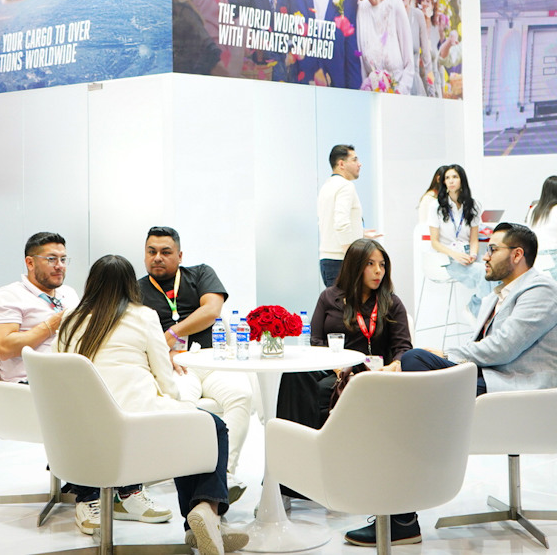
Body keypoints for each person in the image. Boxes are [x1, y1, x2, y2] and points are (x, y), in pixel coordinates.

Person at [55, 255, 247, 554]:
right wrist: (178, 403)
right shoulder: (143, 316)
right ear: (131, 286)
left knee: (192, 425)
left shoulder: (70, 318)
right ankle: (207, 512)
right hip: (136, 427)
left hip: (80, 431)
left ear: (91, 283)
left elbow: (60, 371)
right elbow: (164, 376)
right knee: (211, 427)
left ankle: (201, 525)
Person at [275, 239, 415, 547]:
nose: (378, 272)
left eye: (382, 265)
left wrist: (393, 366)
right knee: (293, 378)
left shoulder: (391, 302)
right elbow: (315, 342)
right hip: (333, 371)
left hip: (373, 377)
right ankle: (290, 478)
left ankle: (321, 477)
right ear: (355, 266)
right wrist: (335, 365)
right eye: (370, 264)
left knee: (334, 391)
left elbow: (404, 348)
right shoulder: (330, 297)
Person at [137, 226, 252, 499]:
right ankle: (193, 474)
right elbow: (135, 334)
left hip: (212, 360)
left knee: (242, 395)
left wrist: (171, 335)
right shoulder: (136, 290)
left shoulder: (200, 274)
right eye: (151, 252)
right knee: (182, 406)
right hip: (174, 366)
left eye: (166, 252)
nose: (157, 258)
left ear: (180, 255)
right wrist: (162, 352)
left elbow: (211, 310)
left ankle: (225, 473)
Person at [398, 222, 557, 394]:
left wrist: (447, 355)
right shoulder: (497, 294)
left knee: (417, 366)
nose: (485, 257)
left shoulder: (541, 290)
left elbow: (503, 347)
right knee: (415, 359)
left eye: (493, 250)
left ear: (517, 255)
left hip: (518, 384)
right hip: (491, 374)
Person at [0, 231, 81, 383]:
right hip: (31, 382)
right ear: (30, 263)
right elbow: (3, 349)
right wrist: (50, 326)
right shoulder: (9, 295)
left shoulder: (69, 293)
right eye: (51, 259)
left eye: (63, 259)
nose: (60, 266)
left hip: (70, 374)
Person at [347, 0, 416, 93]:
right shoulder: (361, 11)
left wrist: (397, 94)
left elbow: (409, 67)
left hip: (400, 99)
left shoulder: (395, 5)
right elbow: (363, 71)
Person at [426, 163, 489, 315]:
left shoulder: (473, 205)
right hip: (448, 257)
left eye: (455, 177)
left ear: (462, 180)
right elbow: (435, 242)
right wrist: (456, 255)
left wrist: (473, 254)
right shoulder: (436, 206)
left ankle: (481, 312)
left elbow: (474, 239)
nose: (451, 181)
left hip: (469, 255)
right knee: (483, 273)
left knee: (495, 273)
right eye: (447, 178)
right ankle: (478, 312)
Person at [318, 144, 376, 286]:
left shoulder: (327, 186)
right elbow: (341, 223)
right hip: (342, 261)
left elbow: (331, 223)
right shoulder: (345, 186)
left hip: (328, 259)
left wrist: (360, 233)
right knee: (347, 301)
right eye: (354, 160)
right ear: (341, 164)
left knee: (336, 300)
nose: (359, 164)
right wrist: (352, 257)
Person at [396, 0, 438, 97]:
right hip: (395, 86)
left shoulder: (418, 16)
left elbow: (427, 61)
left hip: (415, 87)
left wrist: (431, 91)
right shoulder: (390, 16)